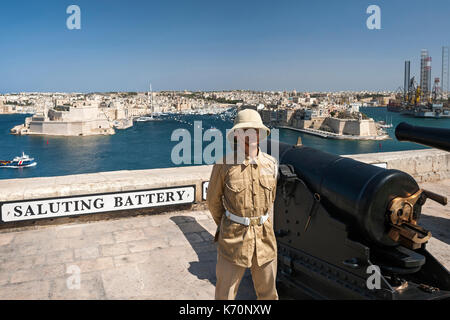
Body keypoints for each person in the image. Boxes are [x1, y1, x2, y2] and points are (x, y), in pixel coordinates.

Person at [206, 108, 278, 300]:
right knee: (225, 295)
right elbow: (213, 203)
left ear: (260, 134)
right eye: (244, 130)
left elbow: (271, 201)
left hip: (264, 240)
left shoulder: (271, 164)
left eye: (254, 130)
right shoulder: (224, 165)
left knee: (268, 294)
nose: (250, 135)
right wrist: (229, 224)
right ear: (236, 135)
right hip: (233, 240)